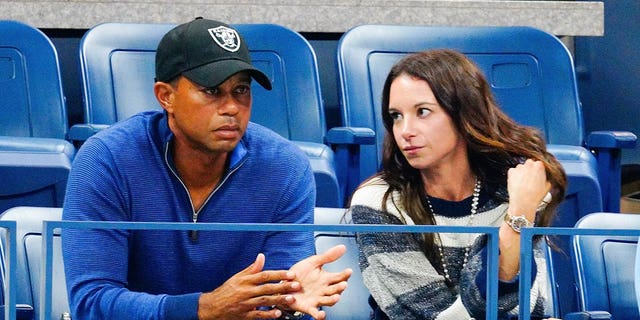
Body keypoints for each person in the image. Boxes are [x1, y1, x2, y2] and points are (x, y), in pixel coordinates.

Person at [62, 18, 352, 320]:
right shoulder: (107, 160)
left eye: (241, 90)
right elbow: (91, 302)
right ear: (166, 96)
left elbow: (280, 295)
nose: (231, 107)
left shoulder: (285, 168)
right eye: (212, 91)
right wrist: (203, 309)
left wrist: (286, 303)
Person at [348, 49, 567, 319]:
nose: (405, 131)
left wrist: (519, 209)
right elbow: (429, 315)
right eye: (396, 116)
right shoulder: (377, 202)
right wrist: (518, 219)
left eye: (423, 112)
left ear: (465, 113)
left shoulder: (515, 189)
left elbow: (525, 307)